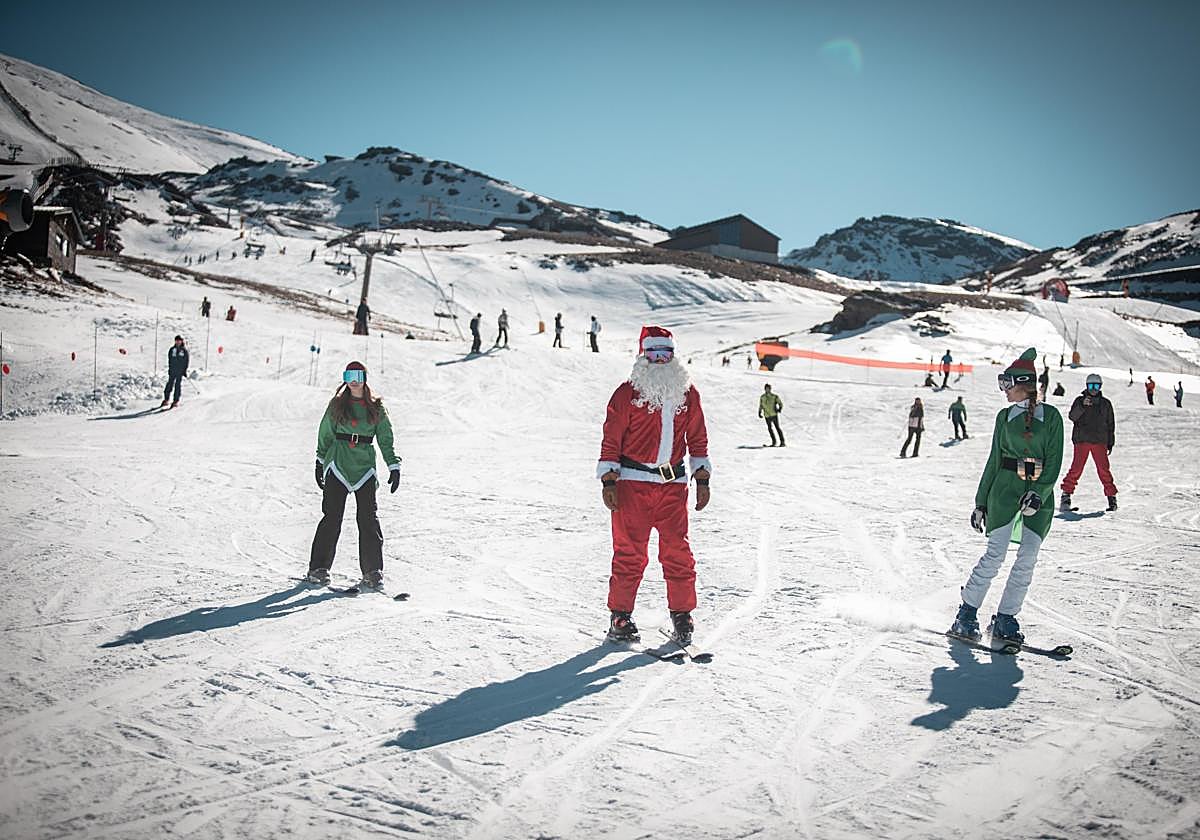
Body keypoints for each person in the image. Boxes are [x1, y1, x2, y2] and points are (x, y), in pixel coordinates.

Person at [597, 326, 711, 646]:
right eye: (654, 354)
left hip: (672, 487)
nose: (660, 360)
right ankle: (620, 615)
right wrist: (609, 480)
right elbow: (611, 438)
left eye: (666, 354)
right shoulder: (626, 393)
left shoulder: (687, 394)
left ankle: (682, 613)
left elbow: (698, 439)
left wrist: (701, 477)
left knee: (678, 552)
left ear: (674, 356)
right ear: (643, 355)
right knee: (630, 553)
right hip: (632, 486)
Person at [949, 347, 1065, 646]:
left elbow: (1054, 461)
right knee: (995, 554)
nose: (1003, 390)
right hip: (1005, 490)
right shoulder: (1004, 416)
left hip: (1038, 495)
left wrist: (1039, 494)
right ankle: (967, 612)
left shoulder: (1050, 416)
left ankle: (1006, 618)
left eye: (1007, 384)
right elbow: (994, 460)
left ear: (1024, 383)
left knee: (1027, 557)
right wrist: (981, 501)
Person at [307, 361, 401, 589]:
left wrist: (393, 465)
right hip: (337, 462)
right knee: (332, 516)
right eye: (349, 376)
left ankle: (373, 571)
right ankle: (318, 568)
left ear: (365, 378)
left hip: (364, 466)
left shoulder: (376, 407)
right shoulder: (337, 405)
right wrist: (320, 462)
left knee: (368, 518)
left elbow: (385, 438)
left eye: (358, 375)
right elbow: (325, 432)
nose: (354, 381)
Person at [1060, 373, 1117, 512]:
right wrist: (1082, 406)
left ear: (1100, 387)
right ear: (1086, 386)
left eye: (1096, 386)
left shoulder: (1105, 404)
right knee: (1076, 469)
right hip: (1082, 440)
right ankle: (1066, 496)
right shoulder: (1080, 401)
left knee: (1103, 469)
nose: (1093, 389)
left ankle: (1111, 498)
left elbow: (1110, 424)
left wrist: (1110, 442)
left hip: (1099, 441)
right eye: (1091, 386)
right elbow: (1072, 416)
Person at [161, 335, 188, 408]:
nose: (178, 342)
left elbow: (186, 361)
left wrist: (184, 370)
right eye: (176, 341)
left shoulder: (184, 350)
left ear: (182, 341)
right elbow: (170, 360)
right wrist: (170, 368)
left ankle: (176, 400)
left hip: (179, 371)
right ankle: (166, 399)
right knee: (169, 384)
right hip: (173, 370)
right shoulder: (172, 349)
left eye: (179, 341)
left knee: (177, 385)